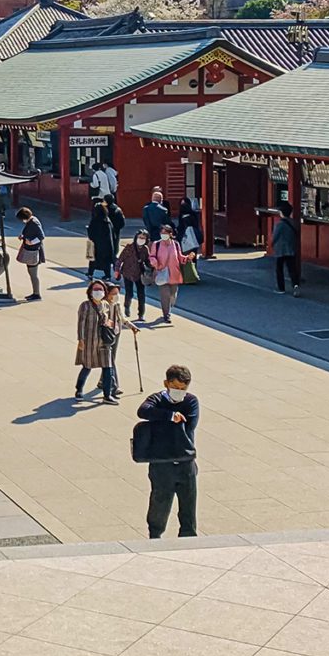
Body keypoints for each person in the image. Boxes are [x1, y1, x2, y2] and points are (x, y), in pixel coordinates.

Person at [137, 365, 200, 539]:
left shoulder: (191, 401)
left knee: (188, 506)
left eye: (183, 389)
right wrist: (171, 417)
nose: (179, 392)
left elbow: (188, 426)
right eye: (175, 388)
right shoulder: (156, 399)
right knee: (159, 504)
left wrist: (160, 420)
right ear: (166, 383)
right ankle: (155, 536)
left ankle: (188, 538)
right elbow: (143, 411)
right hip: (161, 464)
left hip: (185, 462)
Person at [74, 281, 117, 405]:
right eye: (95, 289)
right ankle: (79, 389)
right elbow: (81, 323)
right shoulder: (85, 306)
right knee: (87, 366)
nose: (98, 292)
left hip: (104, 341)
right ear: (90, 292)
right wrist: (81, 339)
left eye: (100, 289)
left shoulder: (105, 305)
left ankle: (107, 395)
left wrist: (110, 325)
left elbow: (108, 320)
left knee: (107, 368)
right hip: (89, 341)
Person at [149, 223, 195, 324]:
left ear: (170, 234)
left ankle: (169, 308)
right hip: (162, 273)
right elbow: (152, 256)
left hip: (174, 273)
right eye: (162, 233)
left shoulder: (175, 244)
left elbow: (179, 257)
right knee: (165, 295)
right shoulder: (156, 244)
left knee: (173, 295)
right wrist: (154, 263)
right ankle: (167, 315)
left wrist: (187, 258)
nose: (163, 235)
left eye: (165, 233)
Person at [116, 230, 152, 320]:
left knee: (141, 294)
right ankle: (127, 307)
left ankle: (141, 314)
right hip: (127, 273)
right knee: (129, 293)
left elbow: (147, 262)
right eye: (140, 237)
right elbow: (120, 259)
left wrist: (153, 265)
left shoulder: (145, 249)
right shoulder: (129, 247)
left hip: (139, 274)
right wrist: (117, 270)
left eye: (143, 238)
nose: (141, 239)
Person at [16, 207, 45, 301]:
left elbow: (41, 236)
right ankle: (35, 293)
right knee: (31, 272)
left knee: (33, 273)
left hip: (33, 250)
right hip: (31, 249)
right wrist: (23, 237)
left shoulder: (34, 223)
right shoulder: (32, 221)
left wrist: (31, 242)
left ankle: (36, 294)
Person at [272, 200, 301, 296]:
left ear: (281, 213)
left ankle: (281, 288)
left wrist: (272, 244)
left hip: (280, 250)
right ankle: (296, 285)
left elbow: (275, 236)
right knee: (292, 269)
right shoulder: (294, 223)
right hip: (291, 248)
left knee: (279, 269)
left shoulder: (279, 224)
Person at [87, 202, 116, 281]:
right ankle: (107, 275)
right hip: (107, 245)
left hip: (96, 244)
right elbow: (112, 233)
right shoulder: (107, 221)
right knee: (106, 261)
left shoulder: (95, 221)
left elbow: (91, 233)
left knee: (93, 259)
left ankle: (90, 273)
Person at [177, 197, 203, 261]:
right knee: (193, 255)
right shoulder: (193, 214)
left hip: (185, 238)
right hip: (193, 238)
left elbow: (181, 227)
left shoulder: (183, 216)